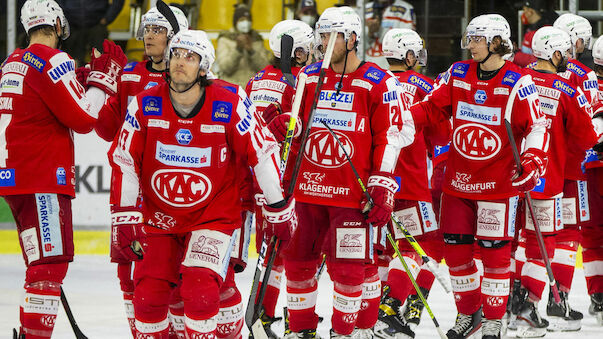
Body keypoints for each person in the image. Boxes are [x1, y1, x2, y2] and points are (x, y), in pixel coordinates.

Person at [107, 29, 295, 338]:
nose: (180, 62)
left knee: (200, 290)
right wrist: (124, 216)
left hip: (213, 216)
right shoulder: (144, 104)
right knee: (148, 298)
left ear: (204, 67)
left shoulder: (231, 100)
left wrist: (278, 207)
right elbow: (124, 159)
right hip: (160, 218)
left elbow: (261, 153)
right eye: (176, 55)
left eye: (190, 57)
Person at [275, 6, 415, 338]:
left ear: (351, 39)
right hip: (307, 192)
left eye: (330, 36)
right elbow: (297, 129)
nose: (323, 43)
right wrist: (284, 131)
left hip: (352, 197)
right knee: (297, 264)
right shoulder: (309, 76)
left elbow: (395, 133)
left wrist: (382, 183)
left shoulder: (379, 81)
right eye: (321, 36)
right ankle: (301, 331)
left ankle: (346, 332)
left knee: (349, 271)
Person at [409, 14, 549, 338]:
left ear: (497, 42)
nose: (470, 45)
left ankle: (494, 319)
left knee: (495, 255)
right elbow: (431, 107)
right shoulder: (457, 73)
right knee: (456, 252)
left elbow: (538, 126)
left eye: (477, 39)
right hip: (458, 184)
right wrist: (403, 119)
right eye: (469, 39)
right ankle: (468, 314)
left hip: (498, 186)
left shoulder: (518, 81)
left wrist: (532, 160)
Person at [0, 0, 126, 337]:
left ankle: (29, 332)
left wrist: (81, 80)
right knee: (49, 266)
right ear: (58, 25)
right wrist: (102, 81)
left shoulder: (12, 61)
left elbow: (48, 101)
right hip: (42, 178)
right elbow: (84, 119)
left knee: (41, 265)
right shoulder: (52, 59)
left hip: (16, 178)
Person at [92, 3, 189, 337]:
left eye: (158, 30)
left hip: (171, 191)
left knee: (170, 274)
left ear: (175, 35)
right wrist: (98, 85)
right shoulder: (131, 73)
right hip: (131, 191)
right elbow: (107, 129)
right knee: (126, 273)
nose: (149, 36)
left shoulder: (186, 77)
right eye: (147, 29)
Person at [513, 26, 598, 337]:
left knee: (516, 243)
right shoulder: (570, 86)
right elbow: (588, 136)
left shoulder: (516, 79)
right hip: (553, 177)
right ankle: (532, 308)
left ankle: (511, 304)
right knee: (547, 241)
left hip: (508, 177)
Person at [373, 28, 451, 339]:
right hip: (411, 181)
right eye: (416, 53)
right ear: (408, 56)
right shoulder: (422, 86)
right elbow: (442, 135)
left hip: (377, 180)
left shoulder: (374, 81)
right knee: (419, 246)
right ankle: (389, 310)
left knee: (382, 249)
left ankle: (373, 308)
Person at [244, 19, 314, 337]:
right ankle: (268, 314)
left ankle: (269, 313)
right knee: (281, 249)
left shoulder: (258, 79)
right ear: (288, 51)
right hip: (280, 177)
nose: (308, 55)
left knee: (274, 248)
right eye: (302, 49)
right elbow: (269, 127)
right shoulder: (296, 80)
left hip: (264, 175)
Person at [548, 12, 599, 328]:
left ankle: (517, 306)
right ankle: (559, 301)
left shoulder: (529, 72)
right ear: (576, 41)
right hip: (573, 169)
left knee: (527, 237)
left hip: (537, 167)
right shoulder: (582, 75)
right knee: (570, 233)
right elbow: (594, 120)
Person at [584, 35, 603, 326]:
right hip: (592, 164)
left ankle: (597, 294)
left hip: (589, 166)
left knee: (592, 234)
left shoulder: (582, 80)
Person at [216, 4, 271, 88]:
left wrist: (251, 51)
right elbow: (225, 68)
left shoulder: (257, 39)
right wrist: (238, 50)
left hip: (253, 88)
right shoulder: (225, 39)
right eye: (242, 20)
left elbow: (264, 68)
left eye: (248, 20)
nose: (245, 23)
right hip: (231, 88)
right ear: (236, 22)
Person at [57, 0, 125, 67]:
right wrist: (63, 17)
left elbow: (118, 2)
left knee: (100, 61)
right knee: (71, 63)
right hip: (72, 25)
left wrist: (107, 18)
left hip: (97, 24)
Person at [513, 0, 558, 68]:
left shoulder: (545, 33)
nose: (523, 13)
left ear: (530, 12)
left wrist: (514, 55)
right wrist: (516, 51)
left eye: (524, 10)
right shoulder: (533, 28)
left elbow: (538, 60)